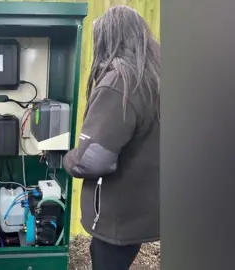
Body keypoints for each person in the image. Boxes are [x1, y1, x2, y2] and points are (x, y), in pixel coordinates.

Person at [63, 5, 160, 270]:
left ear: (109, 39)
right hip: (146, 206)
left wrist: (67, 159)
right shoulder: (156, 76)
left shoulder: (121, 82)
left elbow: (92, 161)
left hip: (118, 216)